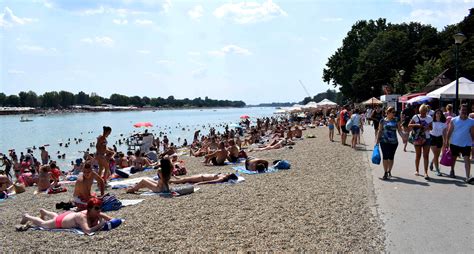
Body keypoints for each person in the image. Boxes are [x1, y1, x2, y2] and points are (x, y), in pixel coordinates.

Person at [16, 198, 112, 234]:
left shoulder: (96, 213)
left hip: (68, 216)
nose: (99, 210)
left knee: (56, 216)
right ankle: (27, 216)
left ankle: (44, 211)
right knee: (43, 224)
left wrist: (108, 219)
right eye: (96, 208)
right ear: (90, 208)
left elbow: (110, 219)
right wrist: (100, 224)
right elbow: (87, 231)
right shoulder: (82, 217)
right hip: (61, 222)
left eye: (100, 208)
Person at [444, 104, 474, 182]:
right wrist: (447, 141)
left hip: (466, 143)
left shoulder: (471, 121)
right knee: (453, 159)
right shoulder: (454, 120)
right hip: (454, 143)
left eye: (465, 110)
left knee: (467, 160)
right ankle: (452, 170)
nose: (464, 111)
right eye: (462, 110)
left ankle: (467, 176)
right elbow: (449, 131)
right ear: (459, 110)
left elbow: (472, 133)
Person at [376, 107, 403, 180]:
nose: (394, 114)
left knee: (391, 157)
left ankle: (389, 171)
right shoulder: (382, 121)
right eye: (392, 112)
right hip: (384, 141)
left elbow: (399, 130)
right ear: (388, 112)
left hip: (394, 142)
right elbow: (380, 131)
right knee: (385, 157)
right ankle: (385, 172)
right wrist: (377, 140)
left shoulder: (396, 120)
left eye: (394, 112)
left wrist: (403, 136)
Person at [408, 104, 433, 180]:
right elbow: (409, 125)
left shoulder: (429, 118)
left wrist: (426, 128)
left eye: (424, 112)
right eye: (421, 112)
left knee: (426, 155)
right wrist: (418, 125)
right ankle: (417, 170)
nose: (422, 114)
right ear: (419, 111)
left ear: (426, 111)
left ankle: (426, 172)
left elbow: (431, 128)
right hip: (417, 138)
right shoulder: (415, 117)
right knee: (418, 155)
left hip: (427, 138)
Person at [429, 109, 447, 176]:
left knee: (437, 155)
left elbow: (445, 132)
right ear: (435, 114)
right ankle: (437, 170)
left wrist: (446, 141)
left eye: (440, 113)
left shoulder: (443, 123)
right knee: (436, 155)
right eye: (437, 113)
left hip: (439, 138)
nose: (438, 114)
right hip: (432, 138)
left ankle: (431, 162)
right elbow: (428, 129)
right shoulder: (431, 122)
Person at [169, 173, 238, 185]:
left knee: (186, 179)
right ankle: (178, 178)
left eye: (229, 173)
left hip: (201, 178)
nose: (228, 173)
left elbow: (212, 181)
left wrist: (200, 183)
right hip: (201, 176)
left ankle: (172, 181)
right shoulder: (223, 175)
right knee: (187, 178)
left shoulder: (222, 178)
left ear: (229, 176)